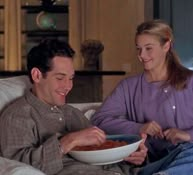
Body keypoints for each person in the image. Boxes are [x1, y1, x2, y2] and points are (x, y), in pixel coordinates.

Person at [91, 19, 193, 175]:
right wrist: (139, 127)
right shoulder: (128, 87)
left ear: (166, 46)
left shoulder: (191, 81)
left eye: (148, 48)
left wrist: (188, 134)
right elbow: (99, 119)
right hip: (157, 163)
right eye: (139, 48)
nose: (142, 55)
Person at [0, 39, 147, 175]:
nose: (68, 86)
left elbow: (102, 153)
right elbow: (17, 167)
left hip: (126, 172)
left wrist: (132, 157)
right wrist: (67, 142)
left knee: (171, 157)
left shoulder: (72, 113)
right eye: (60, 78)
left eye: (71, 78)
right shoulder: (17, 116)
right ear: (37, 75)